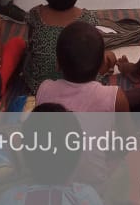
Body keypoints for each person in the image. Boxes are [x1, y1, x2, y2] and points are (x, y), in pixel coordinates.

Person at [37, 20, 128, 187]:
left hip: (51, 176)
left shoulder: (44, 89)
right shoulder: (115, 96)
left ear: (57, 63)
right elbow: (127, 140)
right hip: (95, 184)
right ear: (102, 65)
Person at [22, 0, 112, 94]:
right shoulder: (88, 19)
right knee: (106, 55)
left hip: (40, 86)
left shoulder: (35, 16)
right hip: (83, 82)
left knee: (21, 48)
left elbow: (31, 45)